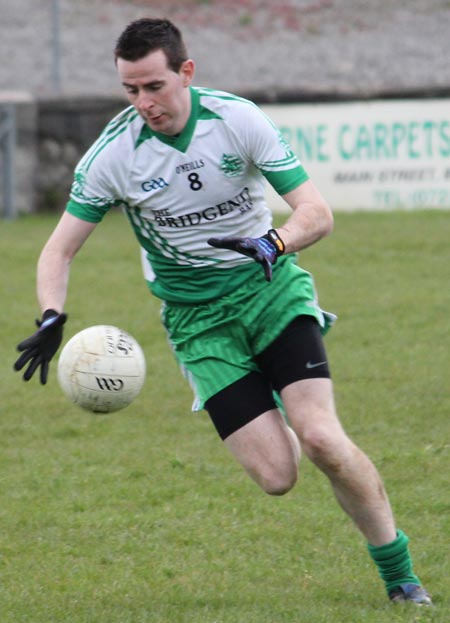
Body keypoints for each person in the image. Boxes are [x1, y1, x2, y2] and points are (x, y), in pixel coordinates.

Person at [14, 17, 431, 606]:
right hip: (198, 322)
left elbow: (316, 212)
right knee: (277, 477)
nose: (144, 104)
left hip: (270, 291)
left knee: (322, 441)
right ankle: (267, 397)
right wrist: (52, 315)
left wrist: (273, 243)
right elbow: (58, 250)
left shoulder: (236, 119)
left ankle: (401, 578)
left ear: (186, 72)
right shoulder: (114, 154)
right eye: (131, 91)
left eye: (154, 87)